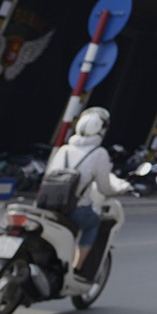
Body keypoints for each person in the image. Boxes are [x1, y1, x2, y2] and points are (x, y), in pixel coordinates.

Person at [47, 107, 131, 280]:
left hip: (48, 206)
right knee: (93, 224)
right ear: (101, 131)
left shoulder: (63, 149)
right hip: (75, 209)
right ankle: (78, 268)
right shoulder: (99, 153)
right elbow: (103, 187)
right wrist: (120, 190)